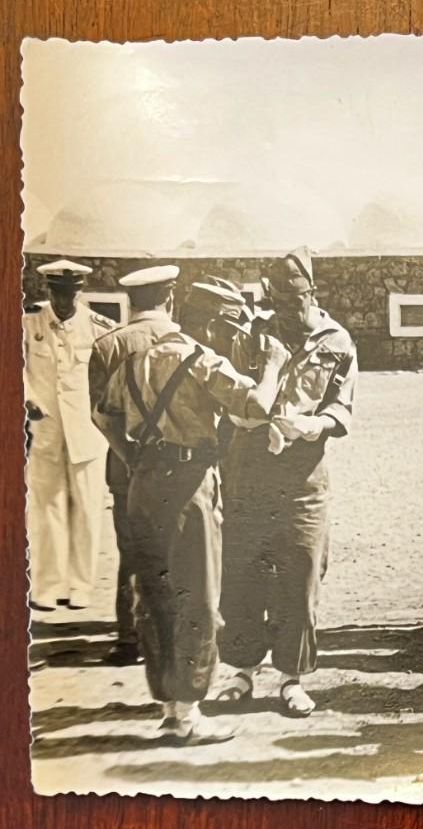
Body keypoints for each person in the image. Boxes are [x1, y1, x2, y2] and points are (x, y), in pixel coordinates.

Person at [93, 280, 288, 743]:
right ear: (214, 323)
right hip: (188, 484)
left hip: (143, 484)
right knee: (196, 596)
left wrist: (134, 459)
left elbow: (103, 416)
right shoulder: (202, 360)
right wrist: (275, 367)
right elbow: (257, 407)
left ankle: (168, 707)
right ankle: (190, 712)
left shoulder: (136, 360)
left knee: (154, 595)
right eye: (231, 325)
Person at [216, 247, 358, 718]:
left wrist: (316, 426)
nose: (286, 311)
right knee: (243, 574)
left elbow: (342, 407)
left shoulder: (337, 341)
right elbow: (235, 405)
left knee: (300, 574)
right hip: (249, 472)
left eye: (295, 301)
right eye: (278, 300)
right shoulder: (252, 336)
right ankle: (240, 672)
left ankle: (291, 679)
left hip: (303, 476)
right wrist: (265, 420)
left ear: (312, 293)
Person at [87, 264, 181, 665]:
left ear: (129, 300)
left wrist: (128, 455)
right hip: (177, 465)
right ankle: (172, 634)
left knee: (130, 551)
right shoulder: (183, 341)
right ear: (171, 297)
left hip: (126, 467)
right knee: (176, 549)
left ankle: (129, 639)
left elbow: (98, 413)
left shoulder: (107, 346)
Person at [25, 259, 116, 612]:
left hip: (87, 433)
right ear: (48, 290)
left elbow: (110, 379)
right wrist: (27, 398)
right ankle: (47, 587)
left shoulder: (98, 326)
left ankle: (79, 586)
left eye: (71, 293)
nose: (64, 300)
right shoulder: (28, 320)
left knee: (87, 509)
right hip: (46, 430)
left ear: (80, 291)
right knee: (47, 508)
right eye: (58, 292)